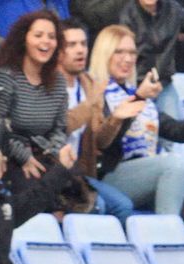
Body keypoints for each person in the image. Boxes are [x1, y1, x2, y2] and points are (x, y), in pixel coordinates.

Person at [90, 24, 184, 218]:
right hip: (111, 174)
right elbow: (106, 144)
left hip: (148, 171)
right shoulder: (95, 92)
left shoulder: (133, 93)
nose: (128, 59)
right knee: (173, 164)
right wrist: (138, 97)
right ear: (104, 54)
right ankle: (168, 233)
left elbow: (178, 133)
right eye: (119, 52)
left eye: (131, 52)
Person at [0, 10, 88, 223]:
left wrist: (53, 151)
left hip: (44, 154)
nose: (45, 42)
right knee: (37, 195)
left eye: (51, 36)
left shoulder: (56, 81)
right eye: (38, 35)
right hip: (9, 155)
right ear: (24, 39)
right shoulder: (6, 76)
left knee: (78, 194)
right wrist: (24, 156)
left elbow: (59, 127)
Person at [59, 18, 133, 221]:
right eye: (72, 45)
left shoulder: (89, 83)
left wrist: (116, 119)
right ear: (58, 51)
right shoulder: (48, 85)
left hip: (82, 173)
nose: (80, 50)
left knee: (124, 207)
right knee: (97, 206)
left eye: (83, 44)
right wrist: (90, 103)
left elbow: (100, 142)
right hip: (54, 170)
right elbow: (60, 126)